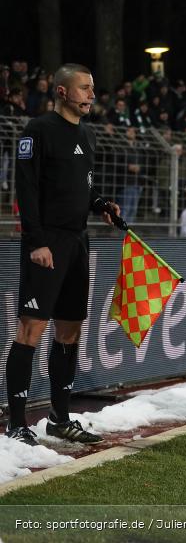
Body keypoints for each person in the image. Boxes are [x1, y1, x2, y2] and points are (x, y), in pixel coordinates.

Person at [5, 63, 121, 446]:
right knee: (30, 329)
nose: (91, 95)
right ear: (61, 91)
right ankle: (16, 423)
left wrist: (100, 203)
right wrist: (36, 242)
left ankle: (59, 418)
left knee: (70, 330)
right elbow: (26, 190)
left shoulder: (87, 135)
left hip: (77, 242)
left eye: (92, 88)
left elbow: (82, 187)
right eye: (84, 88)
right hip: (47, 242)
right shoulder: (38, 130)